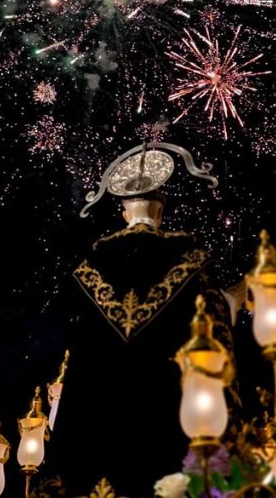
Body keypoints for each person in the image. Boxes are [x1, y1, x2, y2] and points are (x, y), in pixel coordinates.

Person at [58, 188, 234, 493]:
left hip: (97, 411)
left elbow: (77, 336)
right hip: (167, 409)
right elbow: (215, 324)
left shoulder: (90, 263)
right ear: (160, 213)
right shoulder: (191, 257)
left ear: (125, 214)